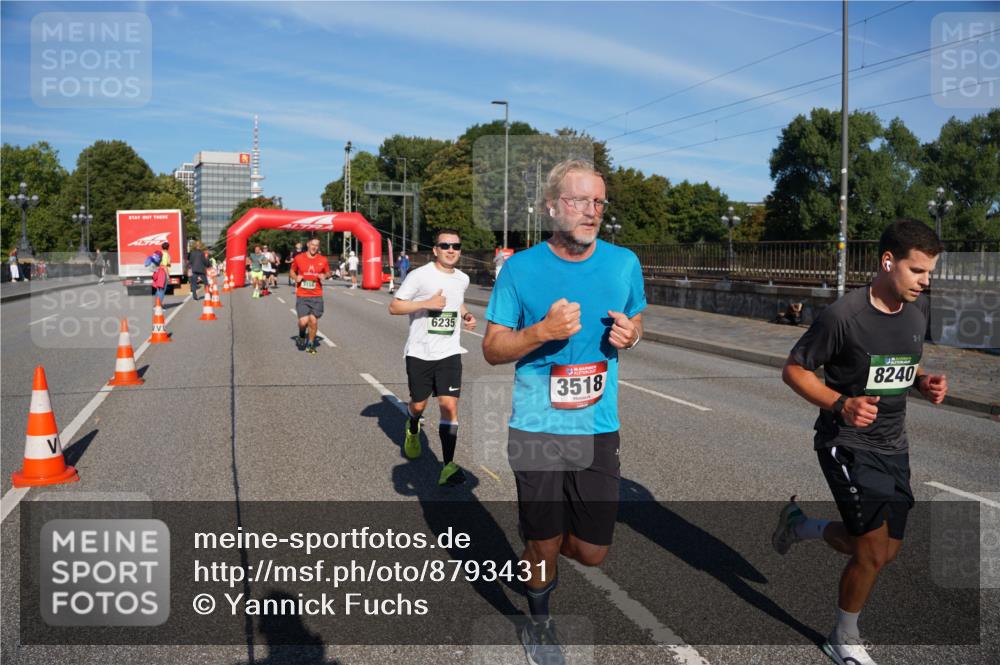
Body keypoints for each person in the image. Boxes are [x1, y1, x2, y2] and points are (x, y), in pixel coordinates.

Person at [483, 159, 645, 665]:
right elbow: (492, 348)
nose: (591, 211)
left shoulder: (623, 263)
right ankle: (541, 621)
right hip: (537, 427)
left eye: (598, 202)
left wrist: (633, 334)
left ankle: (537, 553)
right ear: (552, 207)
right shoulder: (521, 269)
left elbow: (636, 312)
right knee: (546, 543)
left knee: (592, 552)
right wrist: (541, 333)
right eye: (579, 201)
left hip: (598, 427)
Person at [773, 219, 948, 665]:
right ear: (888, 262)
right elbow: (793, 369)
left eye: (930, 273)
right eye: (918, 271)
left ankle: (800, 527)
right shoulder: (843, 316)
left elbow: (896, 369)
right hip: (846, 443)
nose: (926, 283)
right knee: (870, 551)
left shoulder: (916, 312)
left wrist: (922, 382)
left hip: (894, 445)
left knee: (884, 551)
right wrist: (840, 404)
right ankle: (842, 638)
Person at [389, 229, 476, 486]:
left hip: (449, 353)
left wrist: (465, 315)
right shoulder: (419, 276)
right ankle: (413, 423)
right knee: (419, 404)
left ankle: (448, 465)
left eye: (456, 246)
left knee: (449, 406)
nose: (451, 250)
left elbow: (456, 301)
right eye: (445, 245)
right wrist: (426, 303)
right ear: (435, 249)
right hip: (420, 353)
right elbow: (394, 306)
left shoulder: (462, 278)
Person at [290, 237, 333, 355]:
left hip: (317, 295)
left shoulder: (323, 259)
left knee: (313, 321)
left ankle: (311, 344)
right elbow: (292, 271)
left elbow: (328, 272)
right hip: (302, 295)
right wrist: (295, 278)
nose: (314, 247)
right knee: (303, 322)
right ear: (308, 244)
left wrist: (326, 276)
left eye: (317, 245)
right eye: (313, 244)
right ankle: (302, 334)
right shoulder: (299, 258)